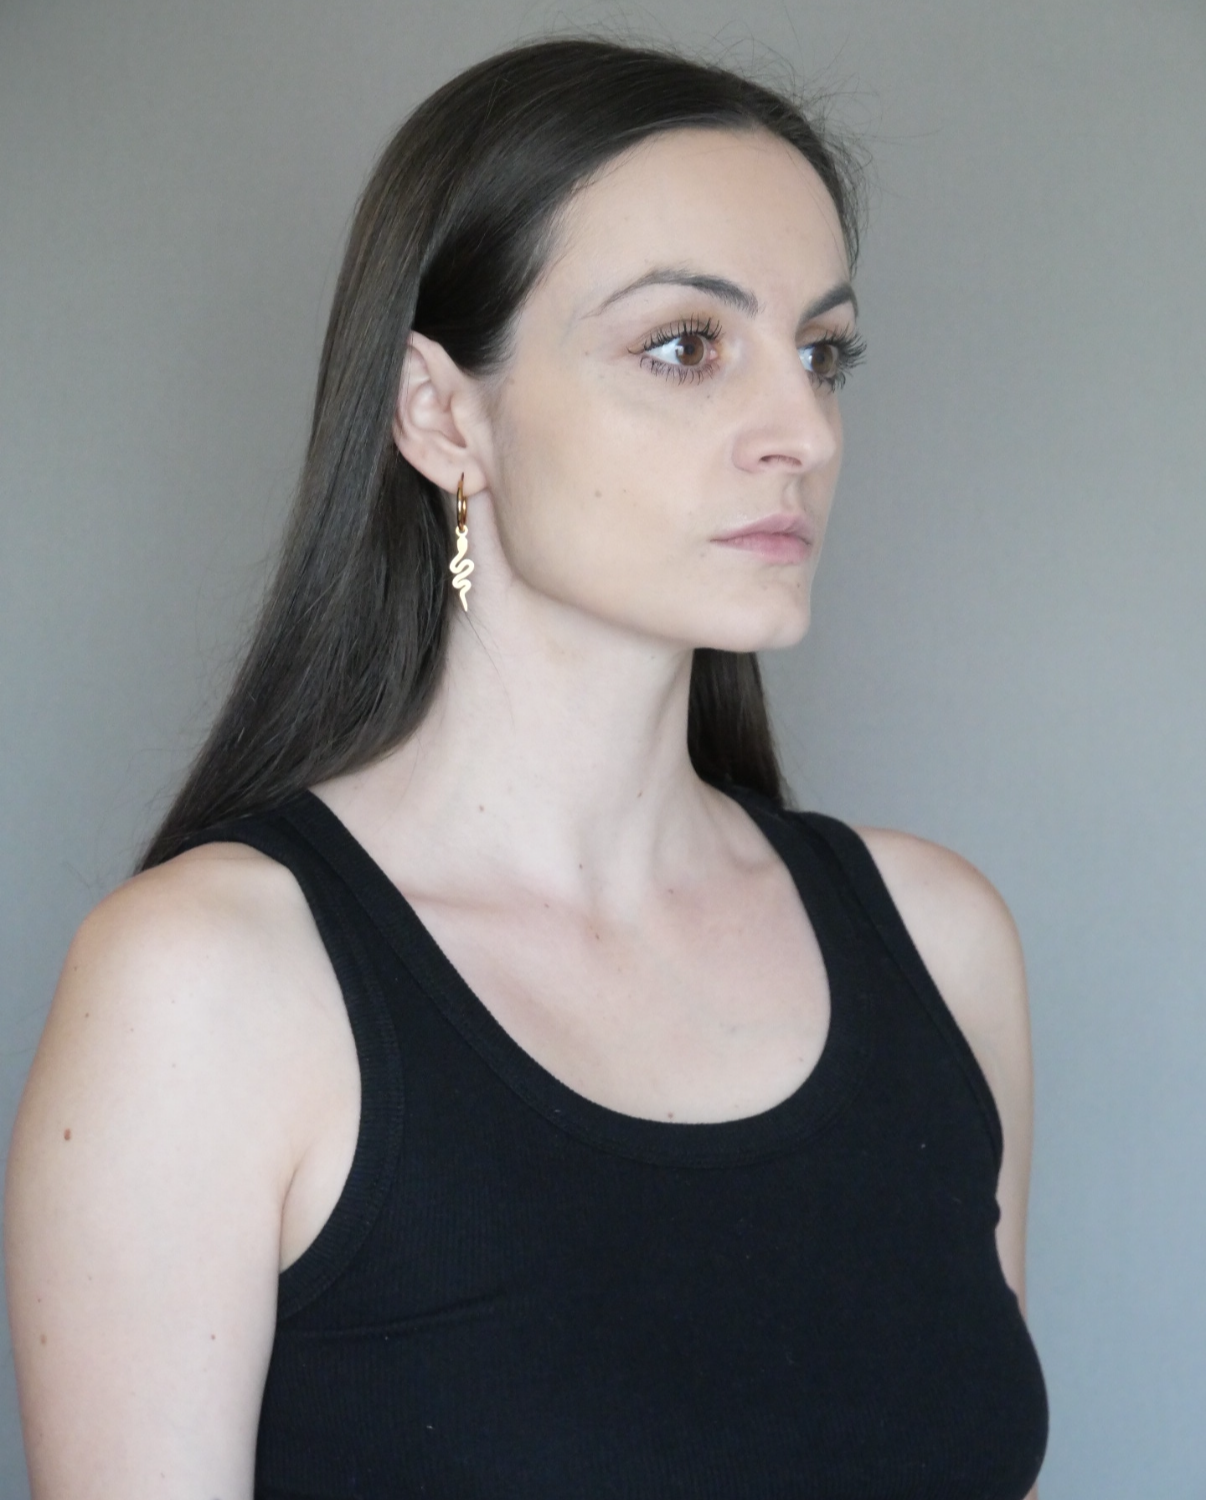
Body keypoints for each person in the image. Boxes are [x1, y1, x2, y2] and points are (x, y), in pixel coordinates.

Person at [5, 36, 1047, 1500]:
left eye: (822, 353)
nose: (801, 431)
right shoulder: (212, 986)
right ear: (442, 415)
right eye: (685, 346)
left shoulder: (938, 944)